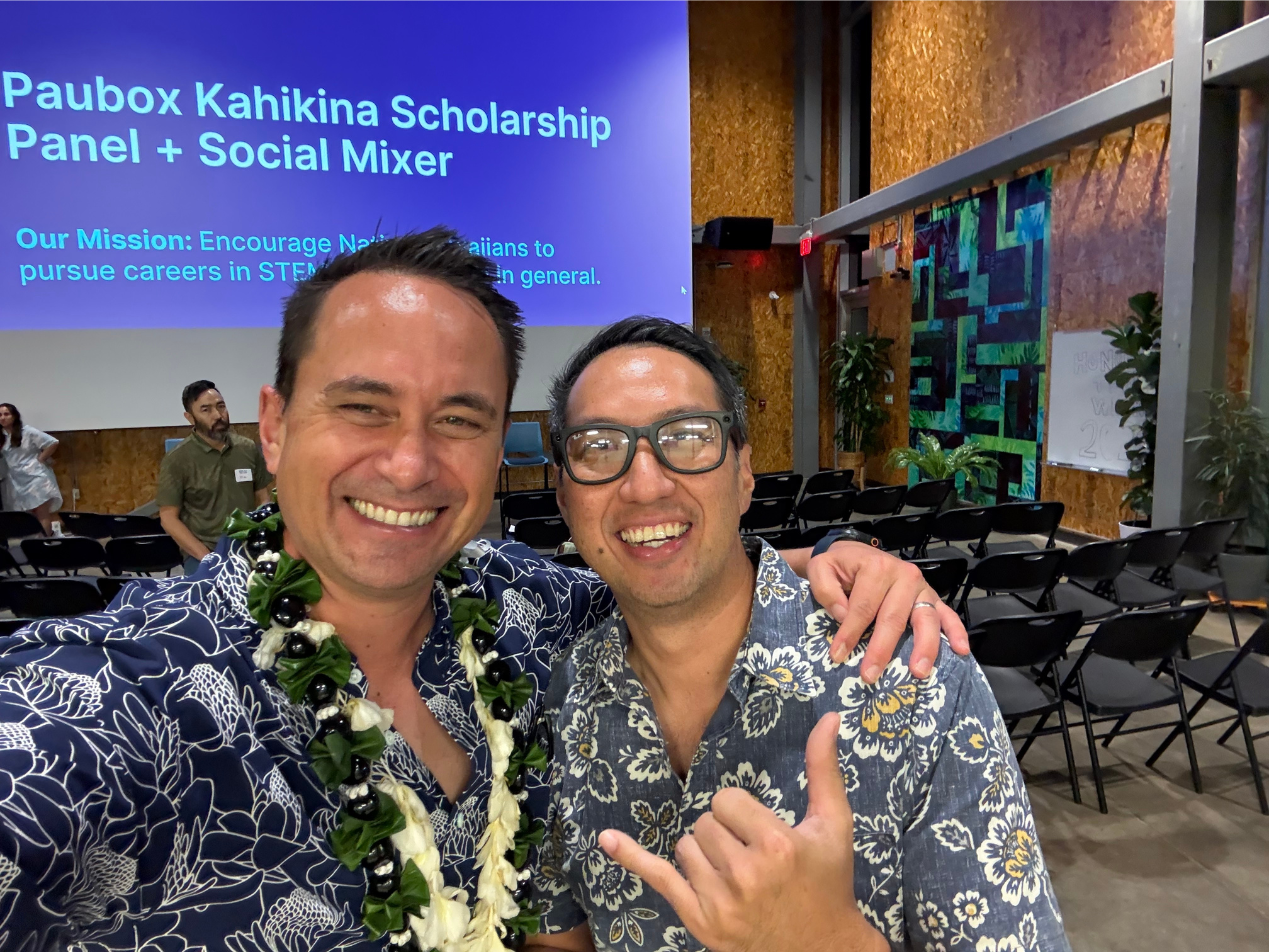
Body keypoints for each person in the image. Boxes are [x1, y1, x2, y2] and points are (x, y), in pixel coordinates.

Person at [0, 229, 966, 950]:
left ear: (501, 443)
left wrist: (834, 564)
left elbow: (674, 582)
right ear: (276, 424)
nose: (410, 463)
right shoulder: (111, 700)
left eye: (459, 420)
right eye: (363, 406)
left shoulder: (521, 604)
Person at [529, 318, 1069, 952]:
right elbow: (558, 937)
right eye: (597, 447)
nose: (645, 485)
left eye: (689, 436)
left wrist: (827, 940)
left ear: (745, 474)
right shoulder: (562, 694)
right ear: (563, 497)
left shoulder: (916, 677)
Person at [157, 379, 274, 573]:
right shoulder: (177, 459)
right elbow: (168, 518)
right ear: (190, 418)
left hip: (248, 547)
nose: (218, 415)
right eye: (206, 410)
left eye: (221, 406)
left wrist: (263, 538)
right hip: (204, 552)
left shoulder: (246, 448)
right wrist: (207, 557)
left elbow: (263, 498)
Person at [0, 402, 63, 534]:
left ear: (14, 416)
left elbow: (52, 442)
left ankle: (46, 541)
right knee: (25, 516)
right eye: (0, 415)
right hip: (15, 480)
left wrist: (41, 459)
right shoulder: (2, 436)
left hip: (35, 478)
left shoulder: (27, 431)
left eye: (6, 414)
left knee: (42, 513)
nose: (3, 418)